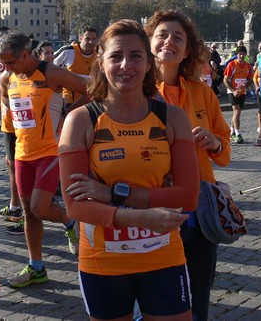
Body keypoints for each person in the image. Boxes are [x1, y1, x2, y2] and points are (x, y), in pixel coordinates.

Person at [59, 19, 200, 321]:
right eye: (116, 56)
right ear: (101, 62)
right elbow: (75, 206)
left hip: (163, 256)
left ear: (149, 62)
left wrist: (110, 193)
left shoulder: (172, 118)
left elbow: (188, 196)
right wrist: (141, 216)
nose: (126, 65)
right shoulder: (80, 121)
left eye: (136, 56)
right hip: (102, 262)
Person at [144, 10, 231, 321]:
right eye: (162, 35)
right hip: (154, 207)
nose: (169, 42)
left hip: (200, 209)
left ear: (188, 51)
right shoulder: (136, 93)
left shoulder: (202, 93)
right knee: (158, 292)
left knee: (199, 291)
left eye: (177, 38)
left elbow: (224, 150)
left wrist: (214, 141)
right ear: (149, 42)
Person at [0, 31, 88, 287]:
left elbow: (89, 88)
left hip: (50, 151)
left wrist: (71, 113)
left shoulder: (50, 73)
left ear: (26, 54)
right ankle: (36, 267)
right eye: (3, 64)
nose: (7, 68)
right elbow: (4, 98)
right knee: (29, 213)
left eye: (10, 62)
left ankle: (69, 220)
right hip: (23, 153)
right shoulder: (7, 77)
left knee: (38, 206)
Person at [0, 27, 25, 234]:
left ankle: (20, 211)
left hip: (15, 125)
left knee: (19, 168)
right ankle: (16, 207)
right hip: (9, 124)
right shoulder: (2, 67)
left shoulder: (11, 67)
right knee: (12, 166)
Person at [54, 26, 98, 109]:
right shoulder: (68, 51)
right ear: (80, 38)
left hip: (92, 99)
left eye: (93, 39)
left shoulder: (99, 53)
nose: (90, 42)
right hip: (71, 100)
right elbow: (51, 66)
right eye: (87, 39)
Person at [223, 45, 253, 144]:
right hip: (232, 91)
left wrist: (245, 85)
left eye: (243, 54)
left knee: (238, 112)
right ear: (237, 55)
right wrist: (233, 90)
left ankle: (231, 131)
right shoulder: (231, 65)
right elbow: (225, 80)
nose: (241, 56)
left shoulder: (248, 66)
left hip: (242, 91)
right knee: (236, 111)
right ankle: (238, 134)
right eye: (240, 54)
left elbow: (250, 80)